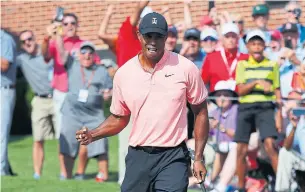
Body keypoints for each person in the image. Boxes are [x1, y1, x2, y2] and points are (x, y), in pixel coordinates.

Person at [76, 12, 210, 192]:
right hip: (138, 156)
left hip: (173, 156)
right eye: (148, 36)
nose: (153, 41)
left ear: (166, 38)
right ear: (139, 36)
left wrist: (199, 158)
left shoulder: (185, 68)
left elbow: (200, 111)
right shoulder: (124, 74)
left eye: (159, 36)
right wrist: (93, 134)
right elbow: (119, 118)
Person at [234, 29, 282, 192]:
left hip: (266, 108)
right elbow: (240, 90)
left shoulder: (272, 64)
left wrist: (279, 117)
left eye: (259, 44)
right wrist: (257, 82)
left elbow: (277, 92)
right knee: (241, 148)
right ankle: (241, 187)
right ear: (248, 46)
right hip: (246, 107)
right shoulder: (242, 65)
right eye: (253, 44)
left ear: (264, 46)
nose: (256, 47)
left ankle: (283, 186)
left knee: (270, 145)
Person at [59, 41, 112, 180]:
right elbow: (61, 53)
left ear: (94, 55)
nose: (87, 55)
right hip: (72, 112)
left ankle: (103, 176)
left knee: (100, 140)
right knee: (68, 141)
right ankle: (66, 176)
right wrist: (57, 33)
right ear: (79, 55)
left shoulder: (101, 70)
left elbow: (109, 89)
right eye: (83, 52)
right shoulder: (72, 65)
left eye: (90, 53)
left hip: (94, 114)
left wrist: (108, 94)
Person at [16, 30, 55, 179]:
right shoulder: (22, 58)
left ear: (35, 39)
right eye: (24, 41)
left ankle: (65, 174)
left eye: (30, 39)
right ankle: (37, 173)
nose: (28, 42)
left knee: (63, 138)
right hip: (39, 100)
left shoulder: (46, 53)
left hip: (57, 97)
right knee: (38, 139)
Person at [201, 22, 249, 92]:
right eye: (227, 37)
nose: (230, 40)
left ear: (238, 38)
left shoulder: (245, 58)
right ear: (222, 39)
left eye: (233, 36)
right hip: (216, 100)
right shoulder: (211, 58)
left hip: (239, 100)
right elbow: (202, 82)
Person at [275, 96, 305, 192]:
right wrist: (294, 127)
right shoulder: (295, 124)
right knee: (284, 152)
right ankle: (283, 190)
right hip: (302, 161)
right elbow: (287, 147)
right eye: (302, 104)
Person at [1, 29, 17, 176]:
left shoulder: (5, 39)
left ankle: (2, 172)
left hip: (4, 90)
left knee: (1, 133)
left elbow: (4, 64)